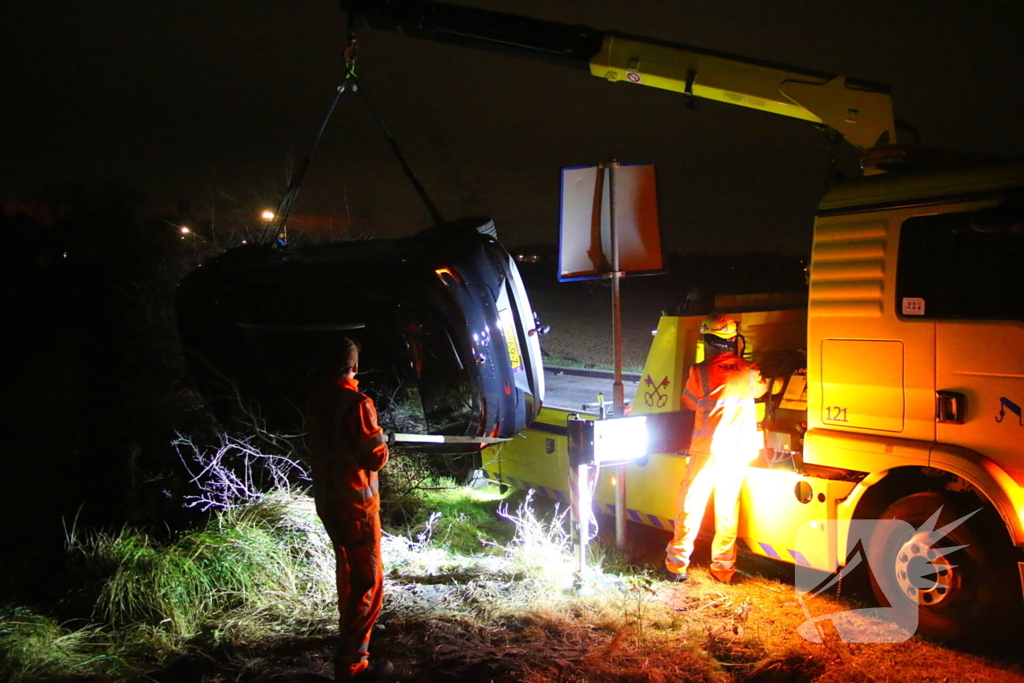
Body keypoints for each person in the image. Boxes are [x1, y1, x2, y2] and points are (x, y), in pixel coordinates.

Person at [305, 338, 392, 680]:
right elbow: (375, 455)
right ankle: (353, 666)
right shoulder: (357, 402)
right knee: (368, 583)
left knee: (350, 577)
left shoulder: (317, 400)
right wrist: (385, 440)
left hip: (329, 504)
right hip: (357, 509)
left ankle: (354, 642)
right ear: (353, 366)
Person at [665, 314, 767, 583]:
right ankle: (723, 570)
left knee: (690, 505)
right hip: (738, 452)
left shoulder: (699, 372)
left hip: (707, 450)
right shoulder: (750, 370)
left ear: (708, 342)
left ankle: (677, 566)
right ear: (734, 342)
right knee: (727, 510)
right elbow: (761, 391)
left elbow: (688, 403)